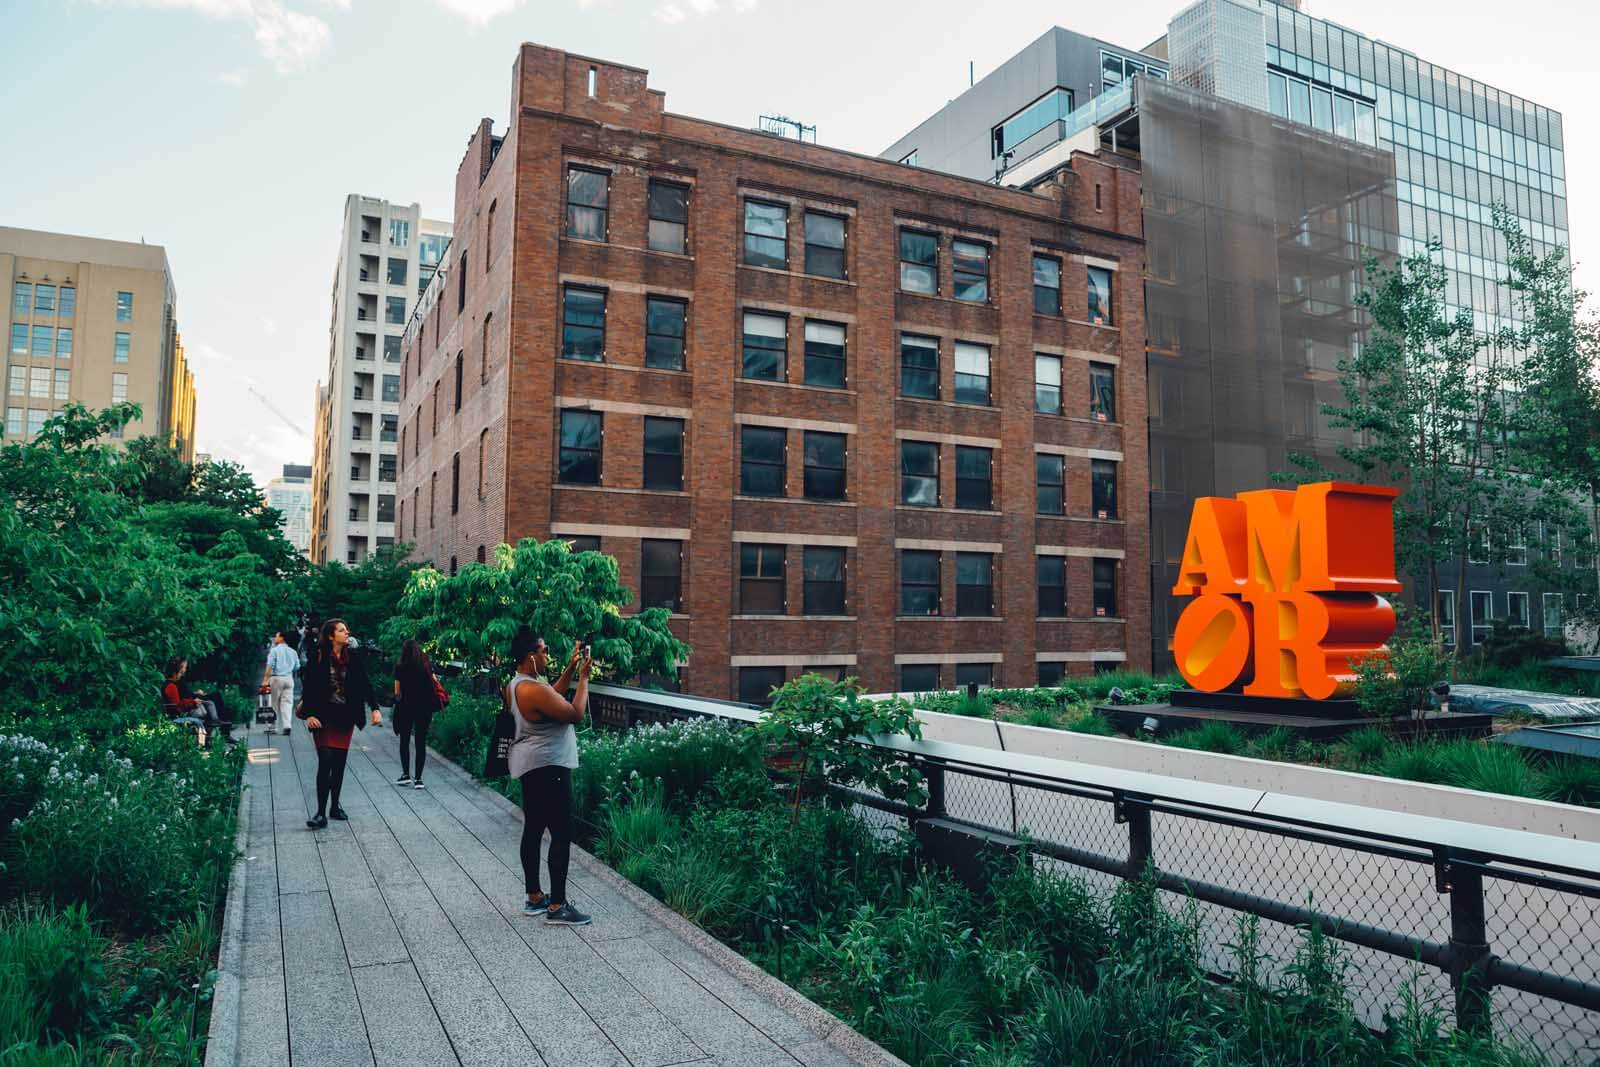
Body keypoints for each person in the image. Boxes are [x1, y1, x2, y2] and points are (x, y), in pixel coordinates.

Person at [506, 627, 592, 926]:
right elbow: (574, 712)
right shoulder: (534, 689)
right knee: (561, 833)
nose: (547, 656)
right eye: (543, 651)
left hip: (531, 767)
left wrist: (570, 667)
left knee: (533, 829)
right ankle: (557, 906)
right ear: (531, 657)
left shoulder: (517, 685)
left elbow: (551, 696)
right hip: (550, 768)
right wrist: (583, 679)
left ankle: (534, 897)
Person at [297, 618, 381, 829]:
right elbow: (309, 688)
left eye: (346, 630)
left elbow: (364, 683)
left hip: (345, 717)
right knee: (325, 761)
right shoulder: (318, 657)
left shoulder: (353, 657)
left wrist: (375, 708)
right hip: (323, 717)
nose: (347, 633)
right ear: (331, 635)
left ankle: (335, 806)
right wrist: (308, 714)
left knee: (339, 763)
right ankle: (320, 813)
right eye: (342, 630)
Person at [392, 639, 442, 789]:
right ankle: (419, 779)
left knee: (404, 741)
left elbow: (397, 691)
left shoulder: (400, 667)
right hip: (424, 708)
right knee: (421, 742)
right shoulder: (426, 666)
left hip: (406, 707)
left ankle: (406, 775)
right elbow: (435, 683)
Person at [162, 658, 228, 744]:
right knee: (206, 710)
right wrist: (193, 702)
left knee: (208, 707)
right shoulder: (171, 686)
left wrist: (193, 700)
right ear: (174, 673)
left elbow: (179, 702)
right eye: (180, 672)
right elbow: (178, 706)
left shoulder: (171, 684)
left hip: (184, 708)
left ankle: (211, 733)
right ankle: (210, 736)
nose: (181, 674)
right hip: (180, 713)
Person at [260, 629, 299, 734]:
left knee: (273, 703)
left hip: (276, 678)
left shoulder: (274, 650)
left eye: (277, 636)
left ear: (282, 638)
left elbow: (270, 666)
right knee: (287, 703)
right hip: (289, 679)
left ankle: (272, 727)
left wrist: (265, 680)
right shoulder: (293, 651)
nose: (275, 638)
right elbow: (297, 667)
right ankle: (287, 726)